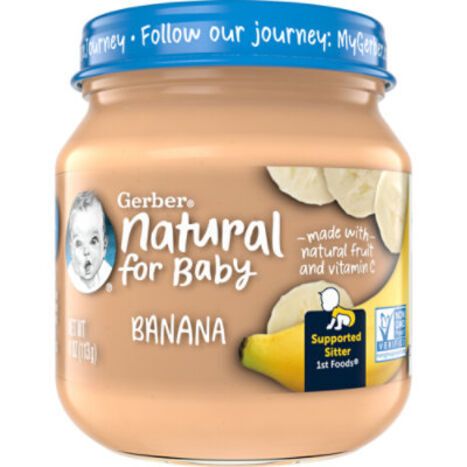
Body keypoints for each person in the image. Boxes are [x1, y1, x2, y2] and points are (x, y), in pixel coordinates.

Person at [67, 191, 112, 293]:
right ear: (71, 249)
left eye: (93, 241)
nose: (86, 251)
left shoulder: (106, 272)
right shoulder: (69, 282)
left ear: (104, 246)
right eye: (79, 243)